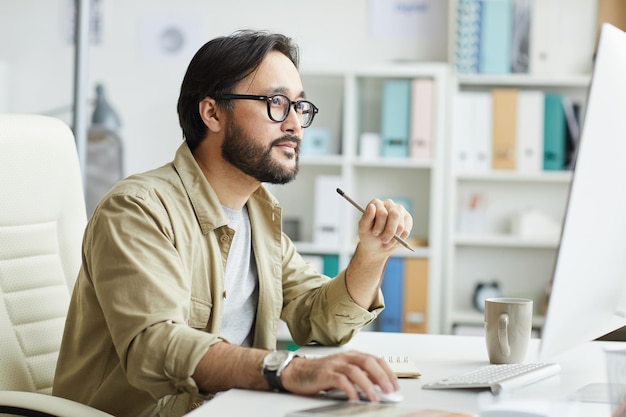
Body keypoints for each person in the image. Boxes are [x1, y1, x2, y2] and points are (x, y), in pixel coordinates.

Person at [52, 30, 413, 417]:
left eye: (300, 106)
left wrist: (372, 255)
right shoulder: (138, 209)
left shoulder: (258, 212)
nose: (295, 123)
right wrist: (287, 369)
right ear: (212, 113)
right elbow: (154, 346)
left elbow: (318, 320)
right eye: (276, 102)